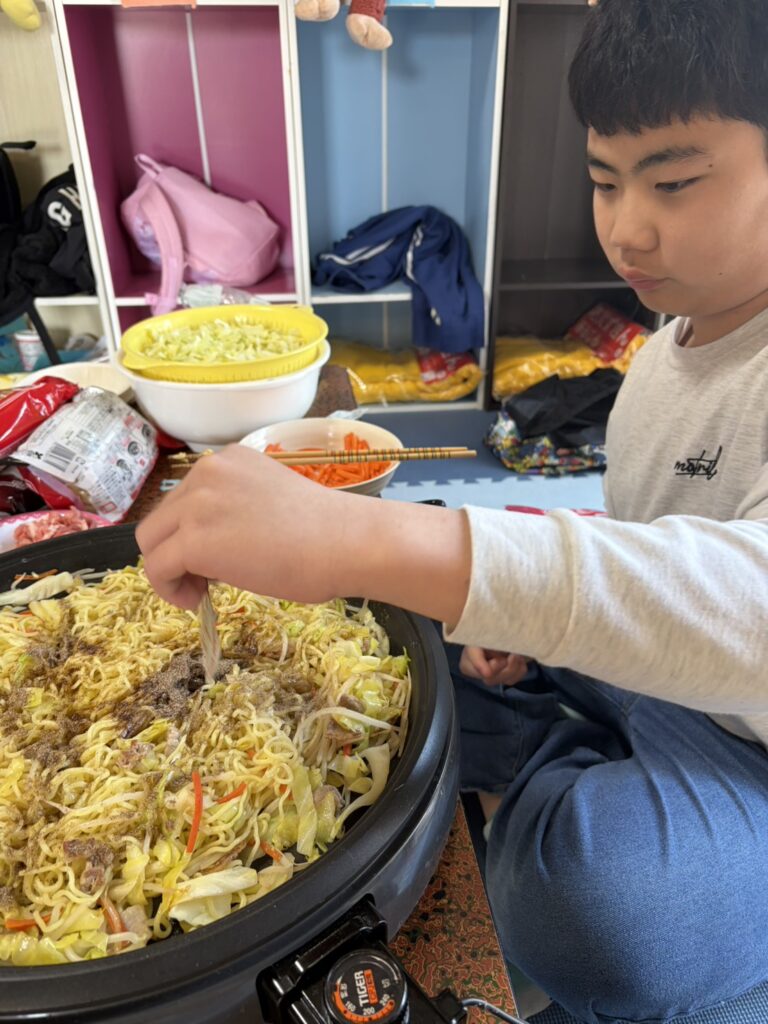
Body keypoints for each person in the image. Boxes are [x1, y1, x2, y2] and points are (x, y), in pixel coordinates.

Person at [137, 1, 768, 1019]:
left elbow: (748, 606)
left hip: (748, 740)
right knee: (388, 666)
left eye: (675, 182)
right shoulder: (664, 351)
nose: (626, 227)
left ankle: (541, 757)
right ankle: (549, 743)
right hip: (662, 678)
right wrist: (510, 595)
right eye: (605, 180)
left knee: (609, 912)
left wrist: (386, 541)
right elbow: (657, 543)